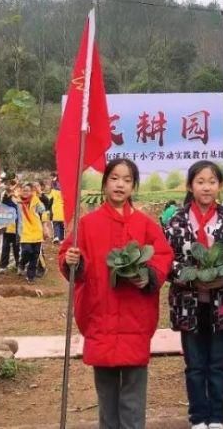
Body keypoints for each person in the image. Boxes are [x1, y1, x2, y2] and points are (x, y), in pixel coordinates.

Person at [60, 159, 173, 429]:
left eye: (126, 180)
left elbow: (163, 256)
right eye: (114, 178)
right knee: (107, 395)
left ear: (134, 186)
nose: (119, 184)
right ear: (104, 183)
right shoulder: (88, 224)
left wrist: (146, 277)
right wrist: (72, 259)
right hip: (101, 317)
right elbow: (69, 258)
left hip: (135, 318)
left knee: (134, 396)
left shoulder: (145, 224)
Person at [165, 161, 223, 429]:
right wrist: (189, 275)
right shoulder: (176, 223)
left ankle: (216, 417)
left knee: (217, 364)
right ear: (190, 186)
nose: (206, 187)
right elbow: (165, 261)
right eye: (200, 181)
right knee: (194, 366)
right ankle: (198, 418)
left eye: (212, 181)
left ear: (220, 185)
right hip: (187, 306)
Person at [17, 182, 51, 283]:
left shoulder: (36, 201)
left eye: (27, 190)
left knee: (35, 256)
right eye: (23, 190)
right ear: (21, 191)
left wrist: (45, 227)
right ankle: (22, 263)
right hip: (24, 233)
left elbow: (44, 212)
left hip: (37, 232)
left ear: (31, 191)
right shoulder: (17, 202)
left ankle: (30, 277)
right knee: (27, 251)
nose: (25, 192)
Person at [0, 179, 21, 273]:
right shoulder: (5, 197)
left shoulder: (20, 197)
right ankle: (3, 266)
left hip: (18, 226)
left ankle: (19, 265)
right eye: (11, 187)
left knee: (17, 247)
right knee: (5, 246)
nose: (13, 189)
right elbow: (3, 203)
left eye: (14, 186)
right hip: (7, 225)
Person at [49, 175, 66, 242]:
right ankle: (62, 238)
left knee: (55, 224)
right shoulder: (65, 192)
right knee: (62, 225)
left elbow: (49, 199)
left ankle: (56, 236)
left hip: (55, 210)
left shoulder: (53, 192)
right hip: (63, 210)